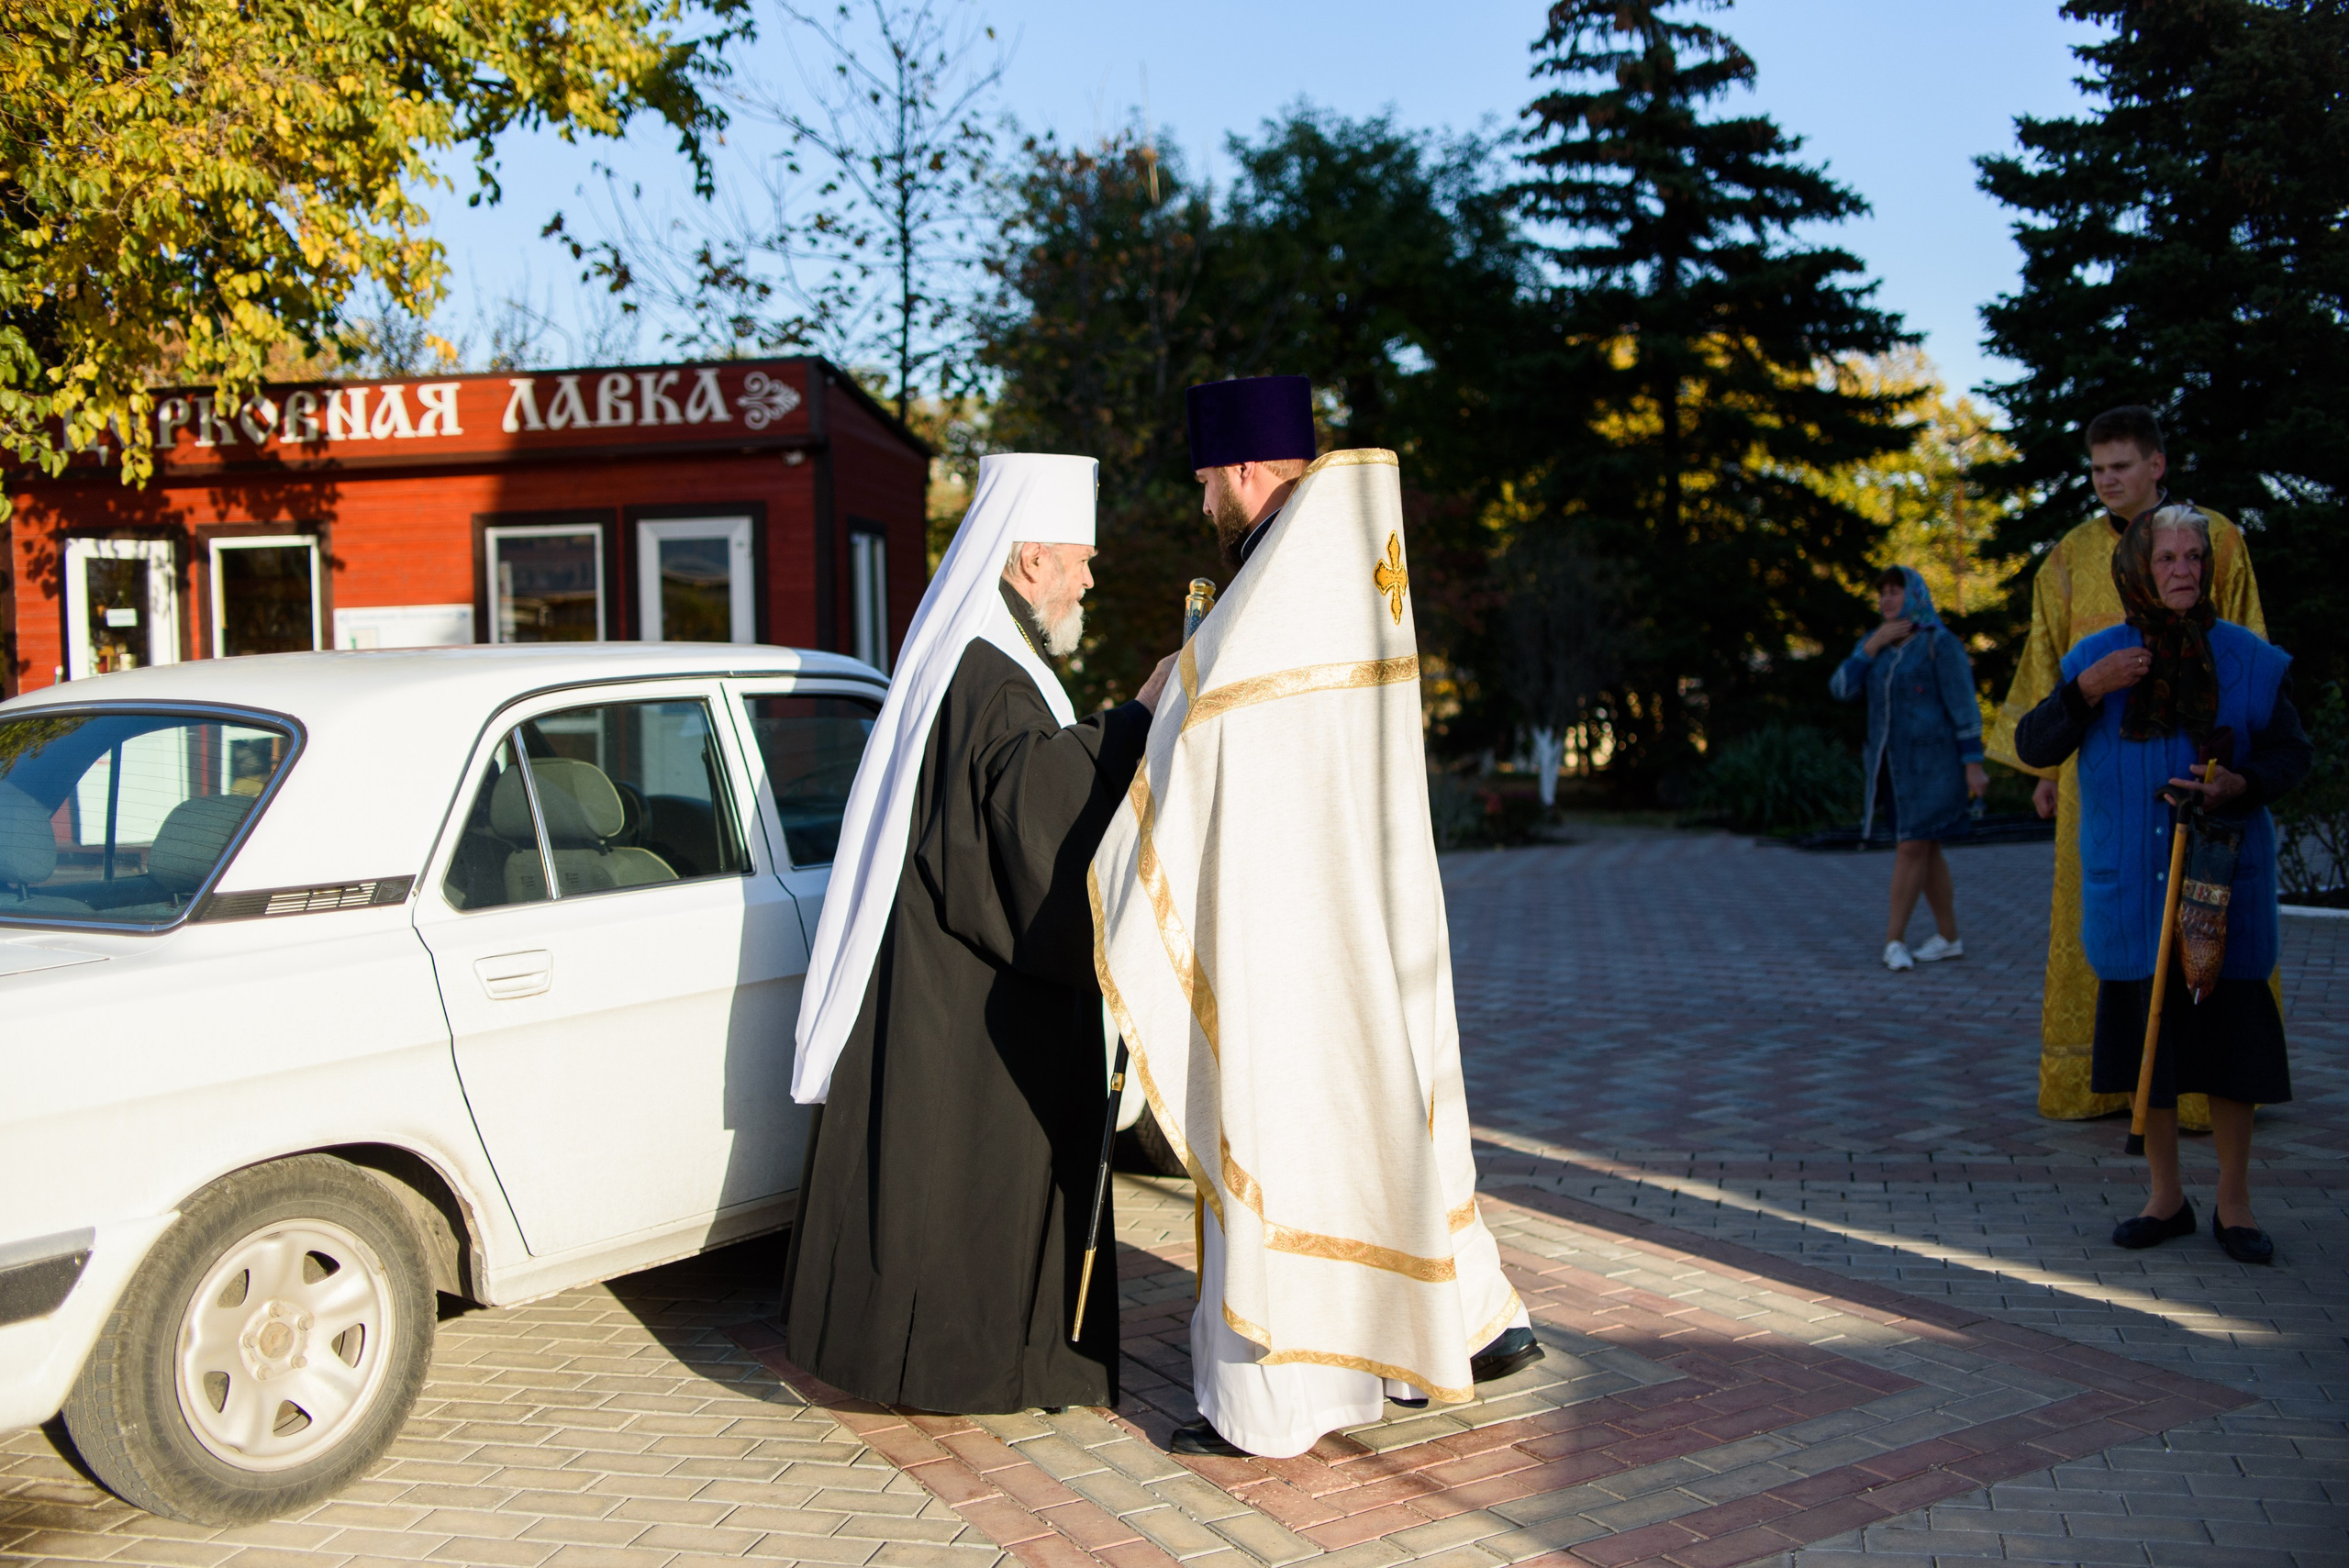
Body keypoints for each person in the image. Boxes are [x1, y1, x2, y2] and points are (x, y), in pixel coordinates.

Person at [1091, 376, 1540, 1461]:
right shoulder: (1347, 559)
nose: (1203, 501)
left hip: (1289, 917)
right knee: (1389, 1109)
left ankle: (1278, 1400)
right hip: (1366, 899)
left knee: (1288, 1126)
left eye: (1207, 481)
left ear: (1247, 469)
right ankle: (1465, 1319)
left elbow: (1210, 739)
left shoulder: (1280, 583)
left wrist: (1168, 690)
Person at [783, 452, 1176, 1413]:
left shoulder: (983, 654)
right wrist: (1135, 720)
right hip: (964, 999)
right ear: (1032, 558)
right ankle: (967, 1368)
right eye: (1080, 561)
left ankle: (987, 1361)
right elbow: (1023, 819)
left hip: (949, 979)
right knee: (959, 1184)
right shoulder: (987, 670)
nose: (1088, 581)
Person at [2012, 506, 2306, 1264]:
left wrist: (2241, 783)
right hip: (2134, 896)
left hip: (2221, 890)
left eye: (2194, 557)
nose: (2183, 570)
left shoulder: (2249, 659)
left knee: (2232, 1051)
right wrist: (2086, 689)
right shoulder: (2097, 658)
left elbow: (2292, 756)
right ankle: (2165, 1197)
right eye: (2166, 558)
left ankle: (2235, 1203)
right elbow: (2034, 743)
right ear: (2138, 570)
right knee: (2153, 1053)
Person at [1986, 406, 2268, 1121]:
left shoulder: (2217, 540)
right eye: (2096, 468)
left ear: (2156, 466)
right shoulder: (2069, 556)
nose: (2106, 480)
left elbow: (2249, 651)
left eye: (2120, 466)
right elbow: (2047, 659)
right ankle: (2106, 1080)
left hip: (2194, 773)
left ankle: (2205, 1092)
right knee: (2110, 923)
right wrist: (2046, 773)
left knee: (2203, 922)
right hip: (2100, 785)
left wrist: (2237, 763)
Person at [1831, 566, 1989, 970]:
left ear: (1914, 595)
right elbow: (1841, 689)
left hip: (1936, 767)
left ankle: (1894, 941)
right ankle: (1949, 937)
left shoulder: (1940, 643)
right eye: (1882, 592)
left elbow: (1964, 706)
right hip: (1893, 769)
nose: (1886, 599)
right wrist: (1870, 647)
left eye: (1895, 591)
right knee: (1926, 847)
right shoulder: (1875, 646)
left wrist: (1973, 764)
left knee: (1912, 845)